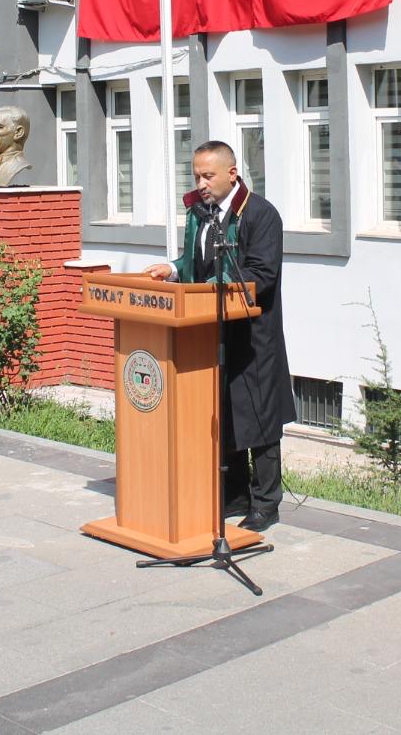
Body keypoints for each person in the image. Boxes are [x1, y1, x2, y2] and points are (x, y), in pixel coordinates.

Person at [143, 141, 294, 532]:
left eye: (207, 175)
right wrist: (173, 271)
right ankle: (236, 495)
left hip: (253, 337)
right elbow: (196, 263)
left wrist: (217, 286)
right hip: (212, 333)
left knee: (259, 420)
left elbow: (262, 275)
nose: (201, 183)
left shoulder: (260, 215)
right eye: (196, 175)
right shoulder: (201, 213)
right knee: (224, 418)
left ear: (232, 173)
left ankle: (266, 504)